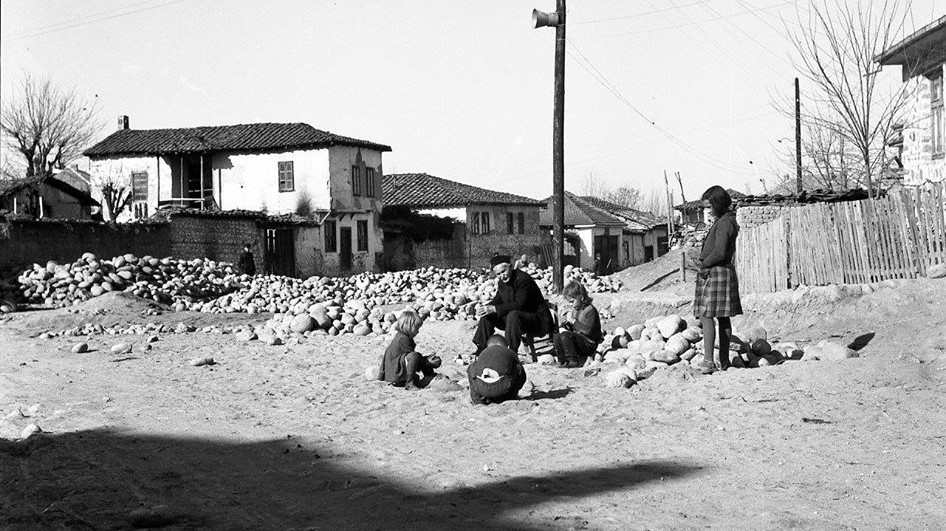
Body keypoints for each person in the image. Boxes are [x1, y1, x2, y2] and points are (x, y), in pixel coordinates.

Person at [693, 186, 743, 374]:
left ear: (718, 204)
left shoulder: (724, 223)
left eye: (710, 207)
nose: (708, 211)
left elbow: (720, 251)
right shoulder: (725, 221)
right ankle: (724, 361)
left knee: (707, 315)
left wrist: (704, 264)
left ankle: (709, 360)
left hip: (717, 271)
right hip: (720, 271)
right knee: (722, 317)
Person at [472, 254, 556, 356]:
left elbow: (520, 304)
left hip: (537, 320)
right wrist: (484, 308)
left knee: (513, 314)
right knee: (487, 315)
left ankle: (511, 352)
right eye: (498, 274)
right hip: (516, 321)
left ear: (510, 267)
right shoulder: (502, 282)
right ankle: (481, 349)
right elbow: (497, 300)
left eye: (504, 271)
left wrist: (494, 308)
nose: (502, 276)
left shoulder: (523, 279)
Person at [378, 309, 442, 389]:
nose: (417, 332)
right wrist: (427, 362)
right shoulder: (402, 339)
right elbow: (413, 359)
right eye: (416, 329)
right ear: (409, 327)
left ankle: (428, 376)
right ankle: (409, 383)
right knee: (415, 356)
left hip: (397, 367)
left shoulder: (403, 337)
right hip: (395, 370)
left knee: (419, 358)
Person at [553, 281, 603, 368]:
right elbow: (574, 329)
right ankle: (562, 360)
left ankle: (572, 360)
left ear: (581, 298)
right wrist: (567, 324)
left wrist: (573, 321)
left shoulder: (590, 310)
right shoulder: (576, 310)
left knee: (566, 336)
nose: (571, 305)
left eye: (572, 301)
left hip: (589, 344)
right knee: (557, 336)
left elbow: (587, 331)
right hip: (580, 341)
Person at [467, 334, 528, 405]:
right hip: (503, 388)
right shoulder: (509, 352)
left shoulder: (484, 353)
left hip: (481, 388)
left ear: (488, 346)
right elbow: (522, 374)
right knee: (518, 368)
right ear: (507, 346)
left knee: (472, 367)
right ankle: (510, 397)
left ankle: (477, 400)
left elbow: (475, 369)